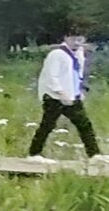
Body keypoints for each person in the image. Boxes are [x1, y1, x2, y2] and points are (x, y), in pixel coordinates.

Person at [31, 30, 99, 159]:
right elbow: (51, 75)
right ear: (66, 38)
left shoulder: (78, 54)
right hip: (55, 97)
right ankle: (34, 153)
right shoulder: (57, 54)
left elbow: (77, 74)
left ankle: (94, 154)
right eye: (74, 39)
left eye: (80, 40)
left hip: (72, 96)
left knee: (84, 124)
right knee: (47, 125)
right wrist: (60, 92)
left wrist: (79, 91)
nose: (77, 43)